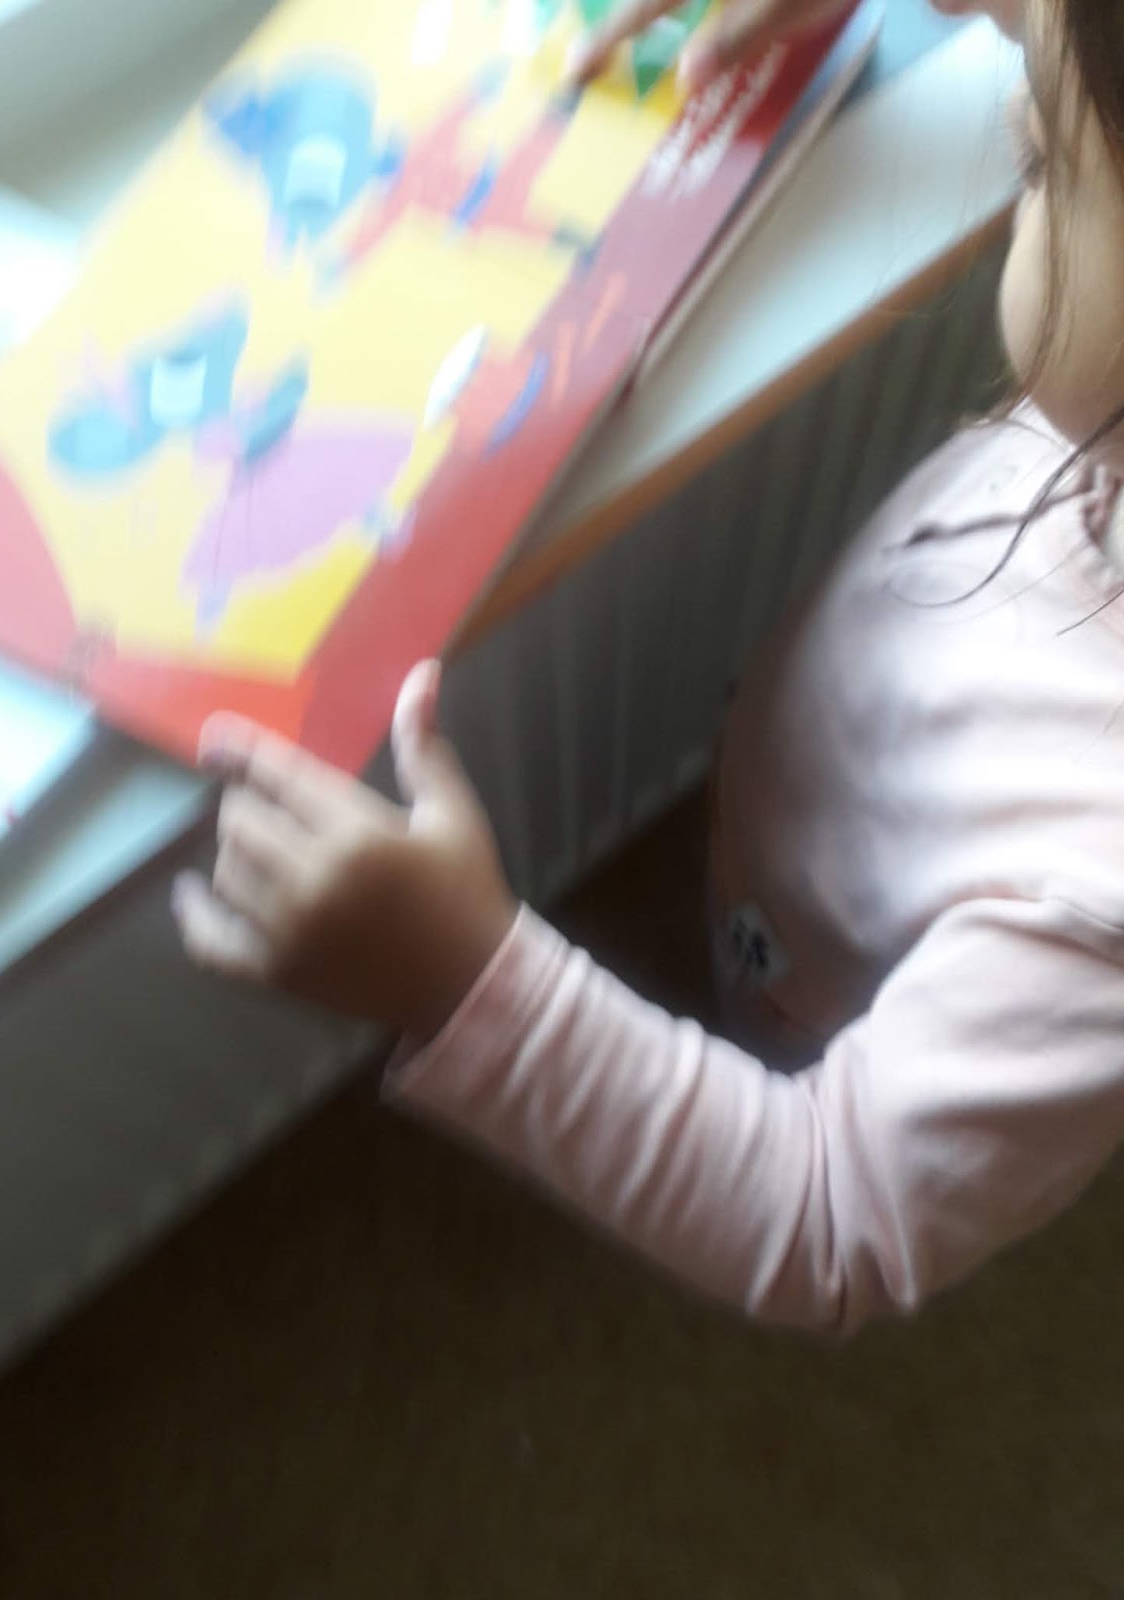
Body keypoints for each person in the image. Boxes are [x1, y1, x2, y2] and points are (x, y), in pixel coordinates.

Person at [173, 0, 1124, 1332]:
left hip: (819, 985)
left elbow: (830, 1217)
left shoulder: (1099, 908)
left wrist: (465, 979)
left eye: (1041, 163)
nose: (1017, 118)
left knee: (752, 1018)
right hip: (795, 833)